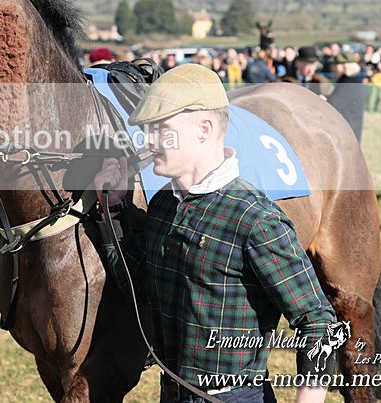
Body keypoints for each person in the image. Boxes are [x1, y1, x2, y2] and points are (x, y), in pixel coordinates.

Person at [93, 64, 336, 403]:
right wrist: (115, 209)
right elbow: (142, 288)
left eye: (159, 129)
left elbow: (319, 321)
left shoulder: (255, 219)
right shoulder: (163, 203)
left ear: (204, 129)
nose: (147, 141)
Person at [327, 51, 367, 141]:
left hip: (346, 137)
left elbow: (333, 106)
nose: (333, 69)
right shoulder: (353, 81)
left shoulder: (350, 84)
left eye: (335, 65)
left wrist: (322, 100)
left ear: (343, 66)